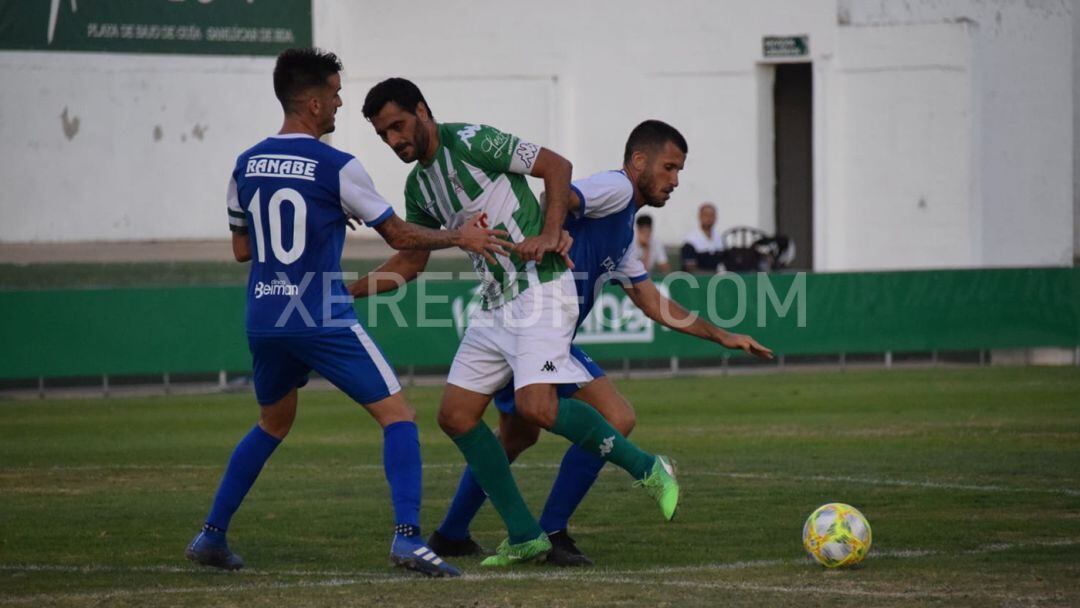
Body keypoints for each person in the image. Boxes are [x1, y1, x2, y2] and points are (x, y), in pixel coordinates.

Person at [185, 48, 510, 578]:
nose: (339, 103)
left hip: (264, 316)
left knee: (273, 422)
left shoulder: (245, 163)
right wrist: (461, 235)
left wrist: (322, 220)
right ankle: (408, 539)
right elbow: (401, 236)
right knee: (398, 416)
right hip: (318, 314)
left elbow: (244, 251)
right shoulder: (336, 165)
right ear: (313, 103)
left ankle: (211, 534)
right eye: (335, 94)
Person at [354, 78, 680, 567]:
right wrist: (347, 290)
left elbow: (556, 166)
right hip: (494, 302)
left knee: (535, 409)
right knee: (455, 416)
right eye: (384, 135)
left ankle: (648, 468)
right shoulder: (419, 185)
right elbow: (409, 263)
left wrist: (550, 233)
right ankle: (526, 534)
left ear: (422, 111)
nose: (395, 140)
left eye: (398, 126)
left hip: (542, 286)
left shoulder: (471, 141)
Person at [427, 121, 774, 566]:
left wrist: (721, 335)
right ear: (638, 162)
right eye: (669, 168)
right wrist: (556, 228)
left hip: (537, 329)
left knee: (516, 437)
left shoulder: (624, 230)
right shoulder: (616, 188)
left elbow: (650, 300)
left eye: (679, 171)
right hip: (535, 319)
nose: (675, 180)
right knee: (614, 416)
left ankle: (454, 533)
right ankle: (556, 528)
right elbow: (565, 193)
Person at [680, 202, 725, 272]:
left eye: (712, 215)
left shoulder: (719, 237)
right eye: (706, 215)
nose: (709, 218)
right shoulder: (691, 240)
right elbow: (690, 268)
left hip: (717, 280)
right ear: (700, 216)